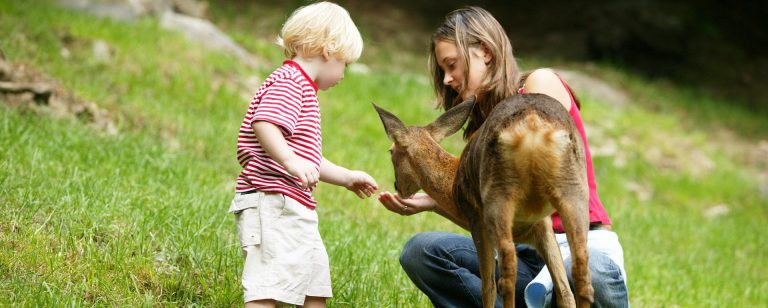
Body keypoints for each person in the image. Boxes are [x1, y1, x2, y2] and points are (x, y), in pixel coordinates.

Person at [377, 6, 629, 308]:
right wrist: (436, 201)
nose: (447, 79)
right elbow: (494, 220)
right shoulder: (483, 135)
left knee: (592, 273)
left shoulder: (539, 87)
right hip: (526, 259)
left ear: (484, 51)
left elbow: (536, 188)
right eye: (443, 71)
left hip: (580, 247)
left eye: (452, 65)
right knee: (422, 252)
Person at [229, 2, 378, 307]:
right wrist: (290, 161)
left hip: (295, 208)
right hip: (272, 203)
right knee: (267, 287)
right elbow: (265, 122)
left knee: (315, 289)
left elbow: (310, 161)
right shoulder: (290, 81)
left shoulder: (303, 89)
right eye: (345, 64)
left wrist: (347, 177)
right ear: (328, 50)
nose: (343, 74)